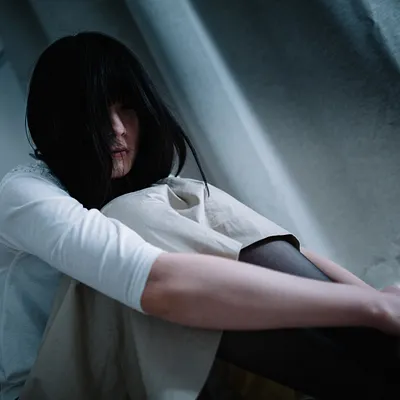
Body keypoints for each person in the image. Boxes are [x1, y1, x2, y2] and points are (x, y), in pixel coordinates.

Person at [0, 32, 399, 400]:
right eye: (97, 114)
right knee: (134, 213)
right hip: (52, 389)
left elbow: (259, 242)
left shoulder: (147, 188)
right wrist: (368, 308)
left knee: (183, 196)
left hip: (147, 360)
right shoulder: (24, 193)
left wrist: (375, 300)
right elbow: (158, 283)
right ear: (60, 123)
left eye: (127, 108)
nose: (117, 129)